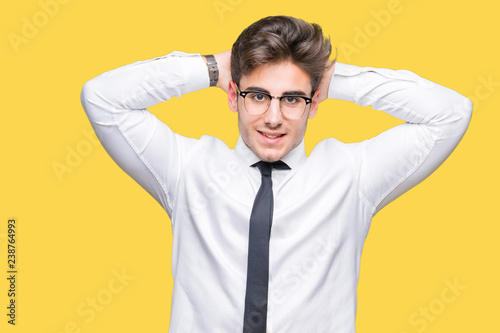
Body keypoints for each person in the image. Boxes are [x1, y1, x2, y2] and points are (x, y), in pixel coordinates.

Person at [81, 15, 472, 333]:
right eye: (258, 96)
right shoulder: (187, 168)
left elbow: (450, 113)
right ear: (234, 96)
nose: (273, 117)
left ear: (313, 103)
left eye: (291, 99)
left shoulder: (352, 176)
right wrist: (215, 67)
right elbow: (102, 98)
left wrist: (329, 77)